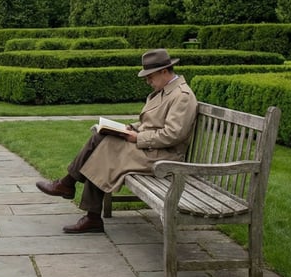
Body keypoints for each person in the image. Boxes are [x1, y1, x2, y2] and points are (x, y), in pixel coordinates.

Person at [36, 48, 199, 234]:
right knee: (101, 137)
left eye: (150, 76)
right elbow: (151, 122)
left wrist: (138, 137)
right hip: (151, 149)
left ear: (164, 71)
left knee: (104, 148)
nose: (147, 81)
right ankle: (78, 199)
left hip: (165, 157)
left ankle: (76, 196)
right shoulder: (165, 91)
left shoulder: (181, 96)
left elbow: (173, 134)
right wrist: (131, 128)